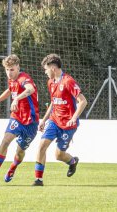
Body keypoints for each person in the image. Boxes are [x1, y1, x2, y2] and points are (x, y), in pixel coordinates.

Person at [33, 54, 87, 186]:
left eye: (46, 69)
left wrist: (73, 118)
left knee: (59, 155)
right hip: (54, 121)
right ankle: (38, 180)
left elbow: (83, 101)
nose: (45, 72)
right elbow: (53, 102)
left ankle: (72, 162)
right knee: (41, 147)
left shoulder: (68, 81)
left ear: (52, 68)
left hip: (68, 125)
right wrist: (44, 120)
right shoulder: (51, 82)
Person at [0, 54, 39, 182]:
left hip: (31, 122)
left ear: (18, 67)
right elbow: (10, 90)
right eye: (7, 70)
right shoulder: (12, 80)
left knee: (20, 151)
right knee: (5, 141)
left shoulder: (23, 78)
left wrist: (17, 99)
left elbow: (30, 89)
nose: (9, 73)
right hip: (17, 117)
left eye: (12, 69)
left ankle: (13, 168)